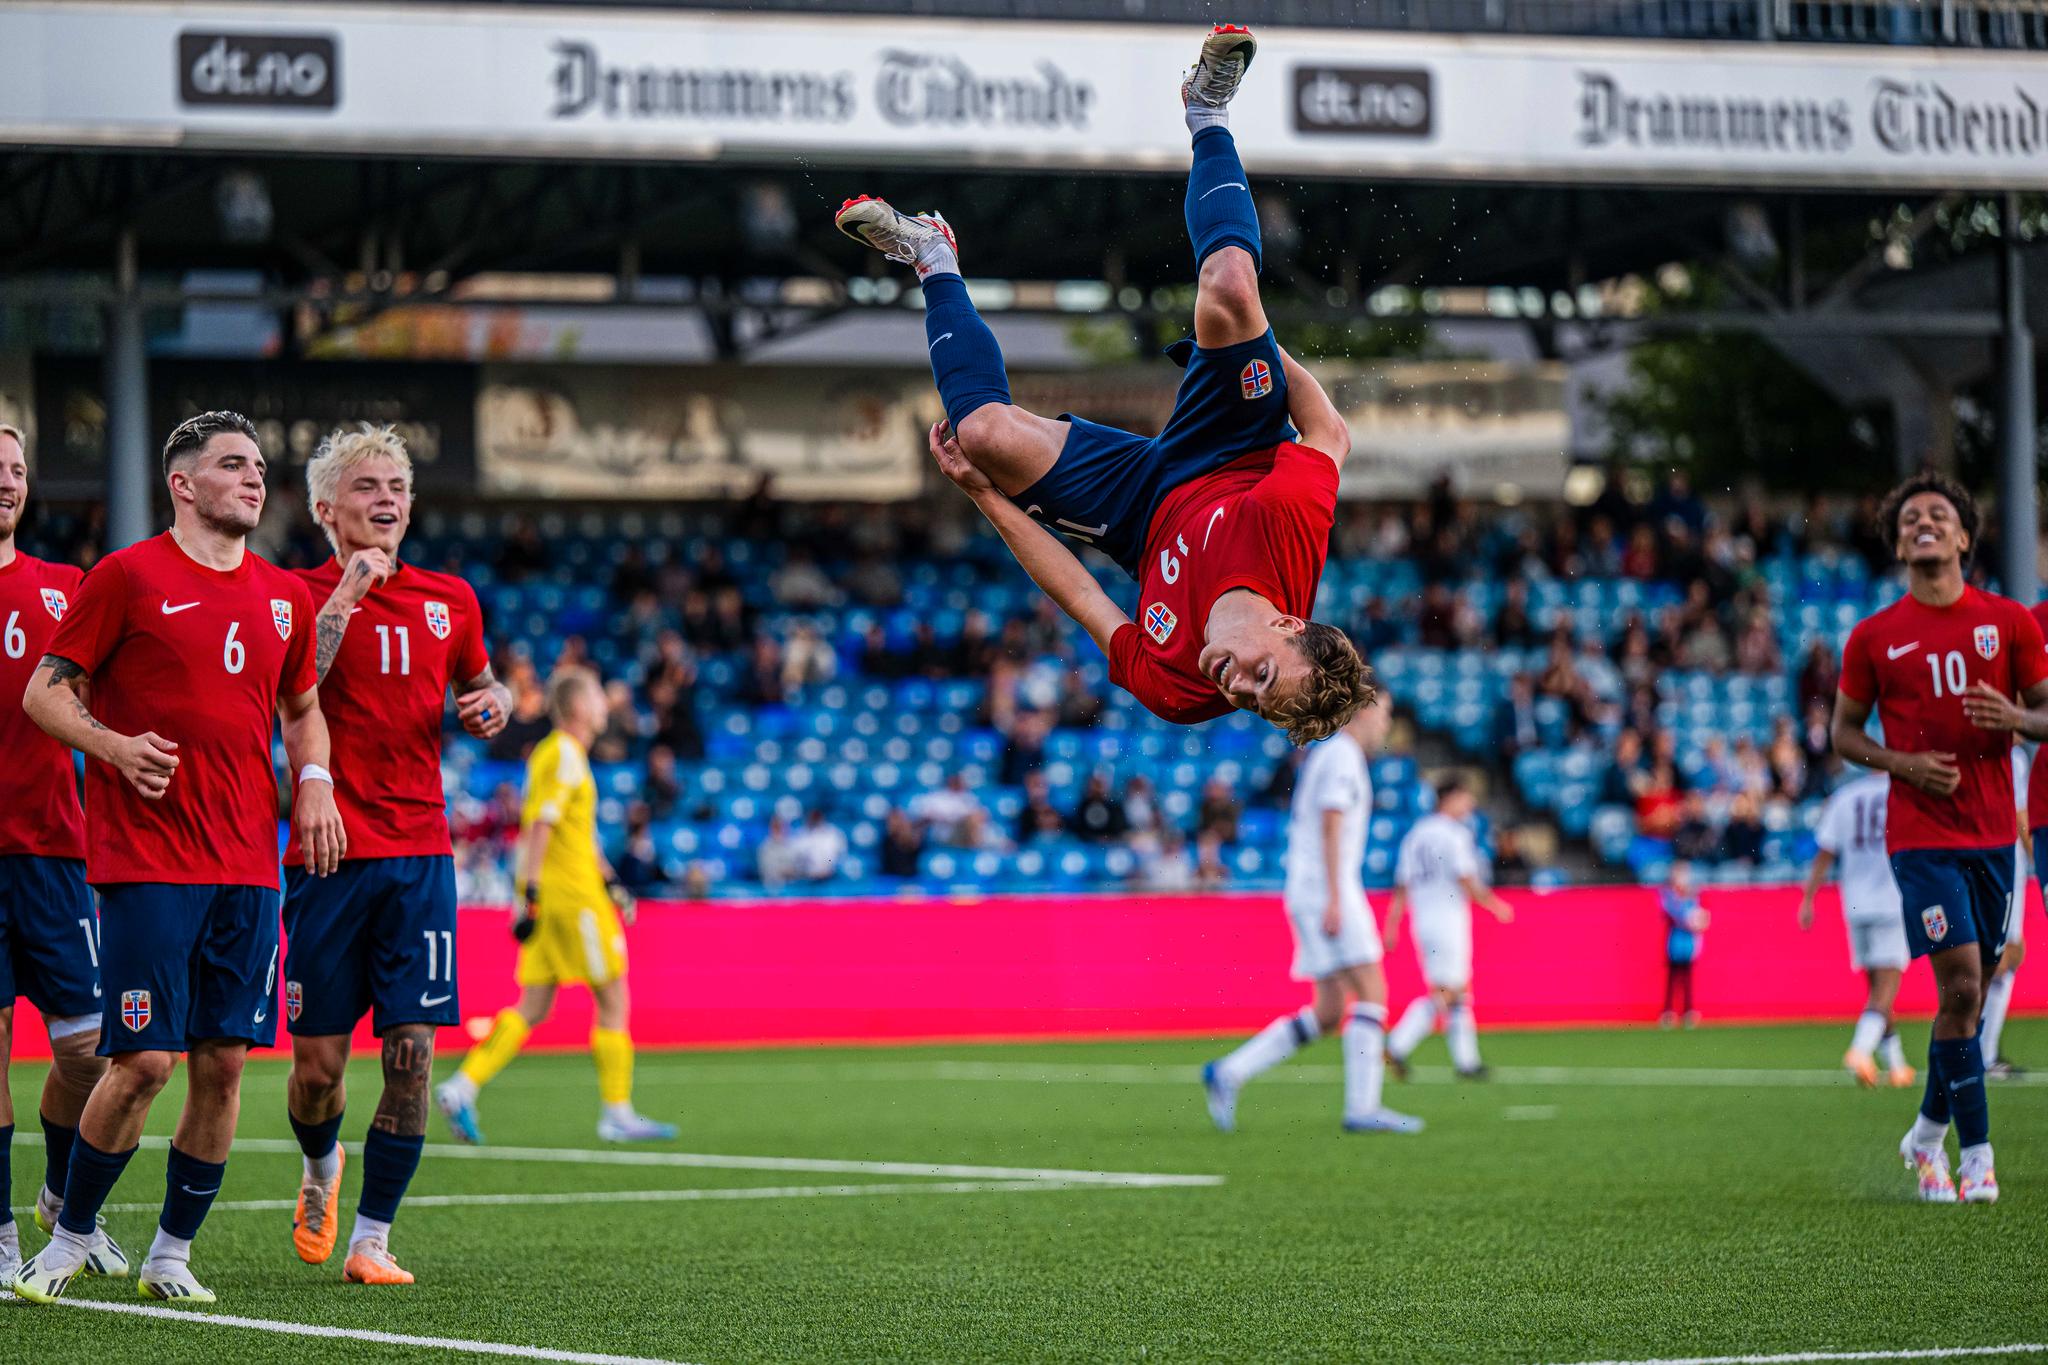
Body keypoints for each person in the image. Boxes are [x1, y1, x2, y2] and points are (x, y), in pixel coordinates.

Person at [835, 25, 1370, 744]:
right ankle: (1207, 110)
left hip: (1140, 520)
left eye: (1250, 702)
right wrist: (1260, 349)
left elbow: (1082, 592)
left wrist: (985, 494)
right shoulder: (1290, 525)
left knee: (982, 436)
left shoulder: (1180, 690)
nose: (1235, 685)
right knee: (1233, 286)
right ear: (1287, 623)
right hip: (1233, 446)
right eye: (1261, 676)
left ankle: (931, 254)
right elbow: (1328, 432)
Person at [14, 411, 345, 1306]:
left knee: (224, 1064)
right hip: (148, 863)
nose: (253, 478)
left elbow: (303, 707)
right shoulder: (125, 577)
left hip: (247, 867)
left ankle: (169, 1253)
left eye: (259, 466)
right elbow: (46, 695)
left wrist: (313, 778)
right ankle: (68, 1237)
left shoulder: (285, 595)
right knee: (144, 1062)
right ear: (182, 484)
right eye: (232, 464)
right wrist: (114, 746)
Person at [277, 424, 512, 1287]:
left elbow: (481, 684)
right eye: (368, 486)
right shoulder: (289, 595)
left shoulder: (451, 597)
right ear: (326, 507)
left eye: (398, 487)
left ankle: (371, 1238)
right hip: (326, 855)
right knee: (317, 1071)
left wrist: (495, 701)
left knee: (412, 1050)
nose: (387, 501)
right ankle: (318, 1166)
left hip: (419, 854)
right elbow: (286, 694)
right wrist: (344, 595)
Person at [1830, 471, 2048, 1205]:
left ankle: (1925, 1135)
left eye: (1938, 515)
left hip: (1993, 835)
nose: (1924, 522)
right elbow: (1841, 733)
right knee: (1959, 982)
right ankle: (1977, 1158)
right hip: (1919, 837)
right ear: (1899, 542)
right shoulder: (1874, 636)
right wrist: (1902, 764)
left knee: (1972, 996)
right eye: (1910, 517)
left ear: (1962, 536)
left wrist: (2018, 721)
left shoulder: (2009, 621)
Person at [434, 666, 675, 1146]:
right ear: (579, 707)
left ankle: (462, 1086)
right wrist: (534, 895)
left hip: (562, 893)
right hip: (570, 899)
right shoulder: (565, 753)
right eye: (598, 696)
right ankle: (617, 1111)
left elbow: (575, 834)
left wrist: (611, 883)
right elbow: (540, 827)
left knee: (534, 1005)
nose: (606, 704)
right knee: (613, 997)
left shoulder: (558, 755)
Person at [0, 424, 124, 1287]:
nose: (7, 481)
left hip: (53, 855)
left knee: (90, 1052)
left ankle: (56, 1200)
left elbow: (110, 693)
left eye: (14, 470)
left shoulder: (63, 586)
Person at [1202, 697, 1421, 1134]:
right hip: (1327, 890)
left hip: (1313, 890)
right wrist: (1338, 898)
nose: (1386, 724)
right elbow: (1331, 822)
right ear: (1363, 710)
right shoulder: (1342, 755)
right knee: (1373, 989)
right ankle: (1363, 1107)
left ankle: (1229, 1072)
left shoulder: (1333, 754)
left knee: (1328, 1011)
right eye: (1384, 713)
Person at [1383, 780, 1513, 1080]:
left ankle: (1466, 1061)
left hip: (1423, 921)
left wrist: (1392, 925)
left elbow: (1402, 886)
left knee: (1457, 992)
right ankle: (1397, 1045)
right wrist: (1494, 905)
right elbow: (1465, 877)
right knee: (1449, 991)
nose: (1469, 806)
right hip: (1447, 919)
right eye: (1465, 798)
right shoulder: (1454, 834)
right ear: (1449, 798)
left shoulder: (1415, 835)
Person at [1798, 771, 1916, 1087]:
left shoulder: (1846, 796)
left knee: (1877, 990)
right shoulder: (1903, 793)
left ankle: (1897, 1065)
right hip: (1891, 900)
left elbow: (1825, 852)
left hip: (1855, 904)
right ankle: (1860, 1050)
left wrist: (1808, 898)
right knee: (1885, 988)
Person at [1659, 863, 1709, 1028]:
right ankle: (1668, 1011)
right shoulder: (1669, 896)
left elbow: (1698, 919)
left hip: (1688, 944)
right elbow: (1676, 915)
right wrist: (1690, 920)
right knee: (1672, 978)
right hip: (1675, 943)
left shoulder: (1692, 897)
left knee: (1687, 979)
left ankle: (1688, 1011)